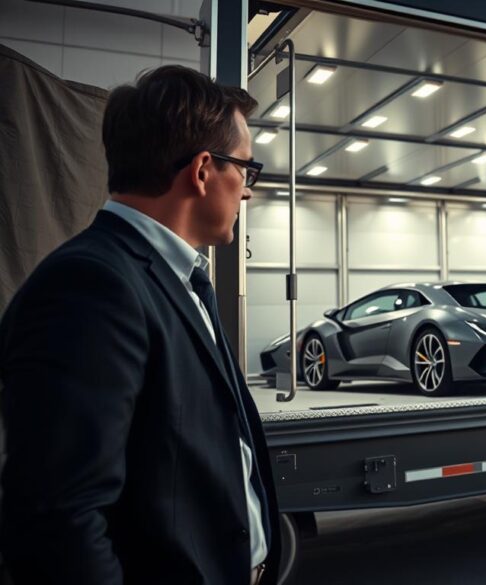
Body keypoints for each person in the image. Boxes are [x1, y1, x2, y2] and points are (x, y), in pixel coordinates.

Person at [0, 65, 279, 585]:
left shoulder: (177, 277)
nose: (247, 192)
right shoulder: (91, 286)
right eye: (246, 168)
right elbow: (58, 521)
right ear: (202, 170)